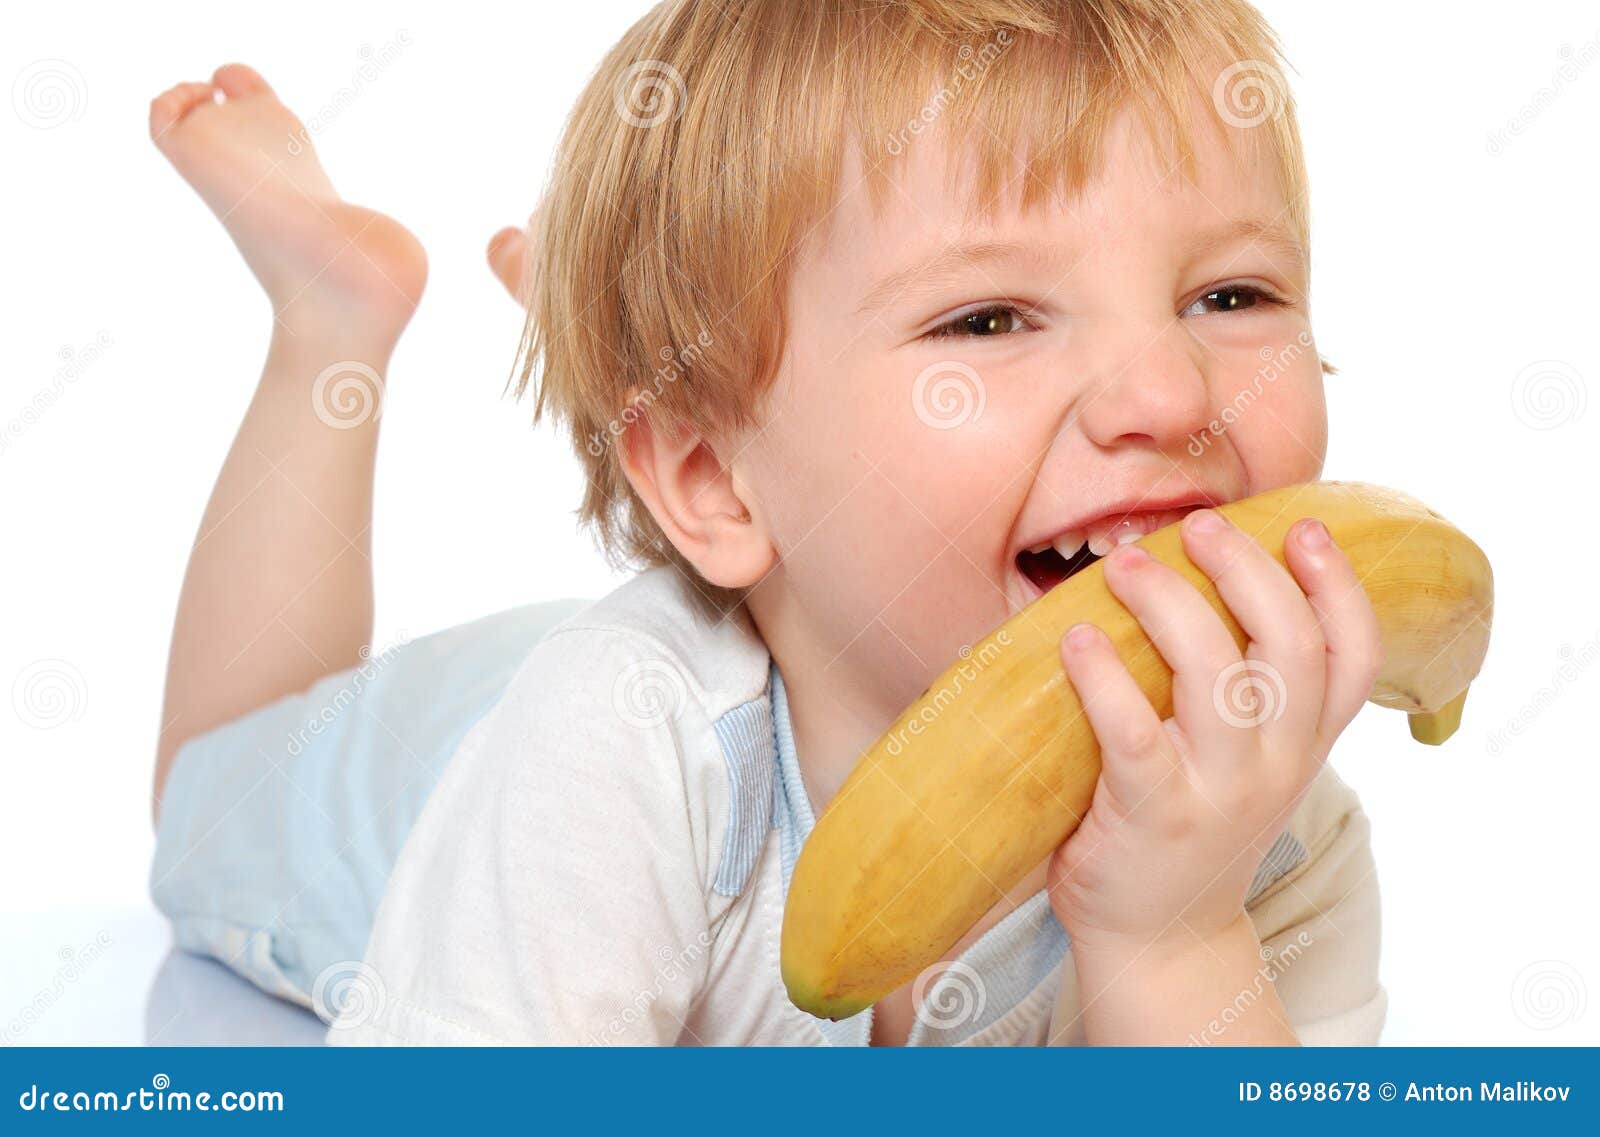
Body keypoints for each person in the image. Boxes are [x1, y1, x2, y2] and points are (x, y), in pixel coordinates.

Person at [147, 0, 1387, 1046]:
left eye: (1232, 293)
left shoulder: (1269, 824)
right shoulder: (609, 766)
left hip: (769, 570)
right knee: (209, 786)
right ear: (712, 487)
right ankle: (333, 313)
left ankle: (669, 350)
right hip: (448, 757)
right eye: (989, 321)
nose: (1170, 395)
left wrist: (1174, 934)